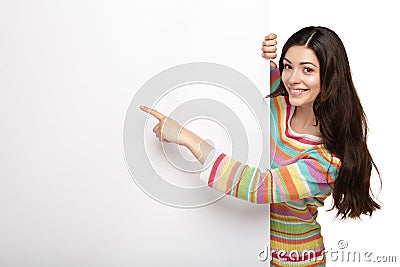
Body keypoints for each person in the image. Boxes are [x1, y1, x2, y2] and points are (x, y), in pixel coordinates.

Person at [140, 26, 381, 266]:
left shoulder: (326, 160)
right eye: (288, 66)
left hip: (296, 260)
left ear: (330, 76)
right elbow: (255, 68)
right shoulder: (280, 102)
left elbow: (259, 187)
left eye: (307, 70)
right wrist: (258, 47)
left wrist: (186, 137)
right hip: (249, 248)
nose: (293, 79)